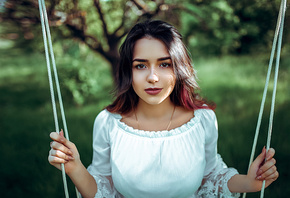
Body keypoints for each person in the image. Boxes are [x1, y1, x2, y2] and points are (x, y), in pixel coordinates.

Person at [48, 20, 279, 198]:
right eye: (141, 66)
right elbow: (102, 189)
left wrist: (250, 183)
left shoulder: (203, 120)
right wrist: (74, 167)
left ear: (179, 68)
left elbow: (212, 175)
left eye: (164, 64)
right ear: (129, 71)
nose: (153, 77)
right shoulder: (108, 123)